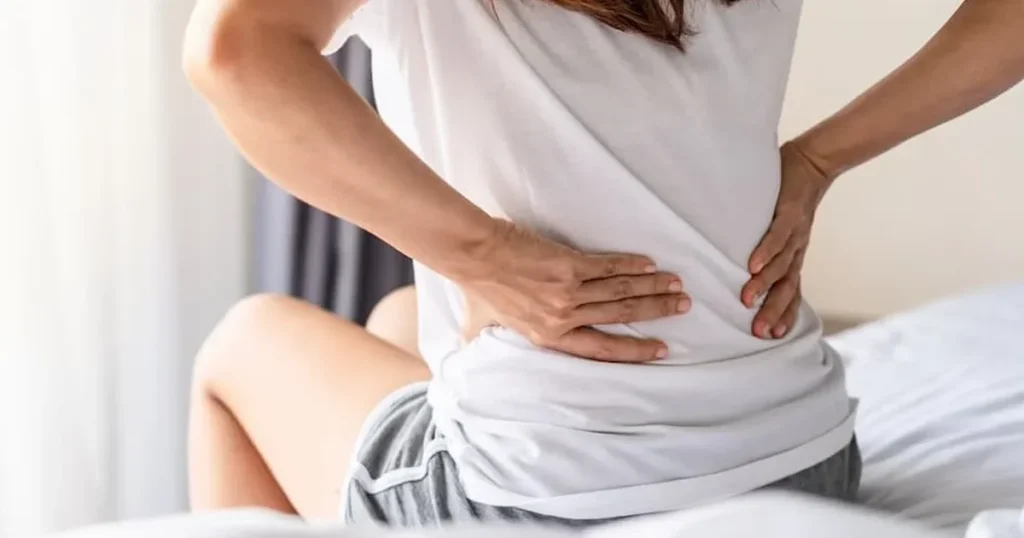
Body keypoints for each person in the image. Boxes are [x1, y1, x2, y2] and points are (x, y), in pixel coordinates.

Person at [182, 0, 1024, 528]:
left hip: (540, 500)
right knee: (400, 321)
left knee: (241, 346)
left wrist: (484, 254)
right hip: (806, 461)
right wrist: (819, 160)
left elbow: (232, 51)